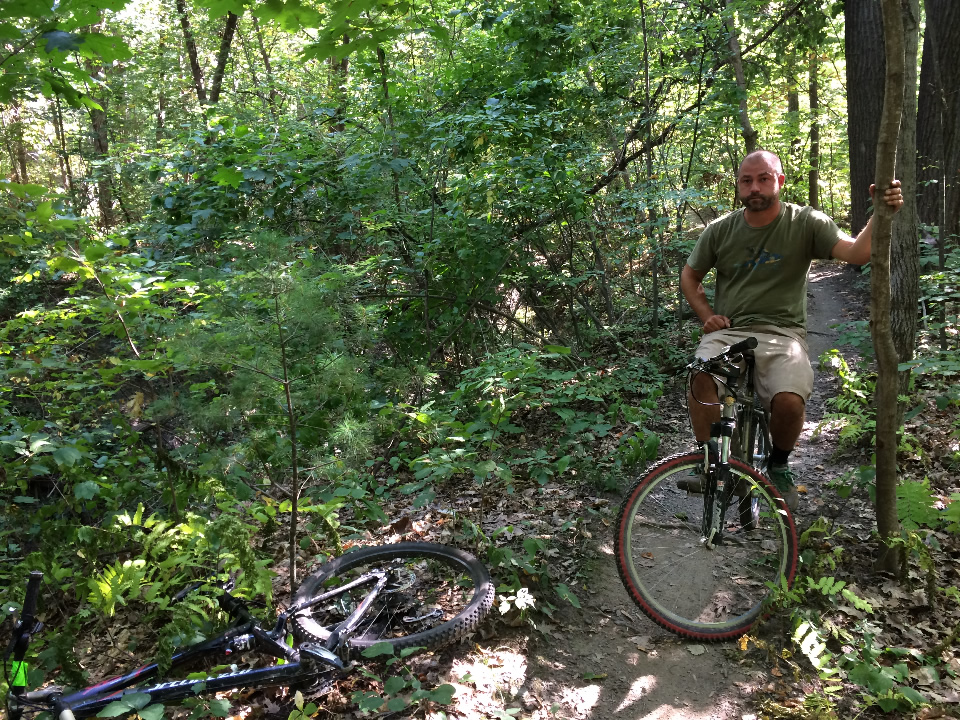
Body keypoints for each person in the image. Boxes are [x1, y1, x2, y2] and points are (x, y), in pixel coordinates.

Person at [679, 150, 904, 510]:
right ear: (738, 185)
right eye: (746, 180)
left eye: (764, 178)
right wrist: (706, 314)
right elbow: (690, 275)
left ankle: (779, 466)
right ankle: (715, 465)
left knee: (789, 400)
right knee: (701, 375)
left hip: (783, 334)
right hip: (729, 331)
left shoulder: (805, 222)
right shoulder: (720, 230)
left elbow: (857, 253)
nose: (755, 187)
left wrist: (881, 212)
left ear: (779, 181)